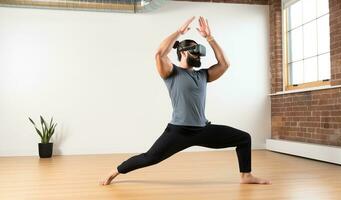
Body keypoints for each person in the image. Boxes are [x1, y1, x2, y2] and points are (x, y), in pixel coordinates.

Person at [100, 16, 271, 185]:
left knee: (243, 138)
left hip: (203, 130)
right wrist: (178, 33)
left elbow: (224, 64)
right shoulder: (171, 72)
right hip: (178, 131)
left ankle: (246, 176)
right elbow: (159, 54)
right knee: (150, 157)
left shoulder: (203, 75)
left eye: (199, 52)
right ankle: (115, 171)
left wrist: (209, 38)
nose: (198, 56)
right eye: (194, 51)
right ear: (182, 52)